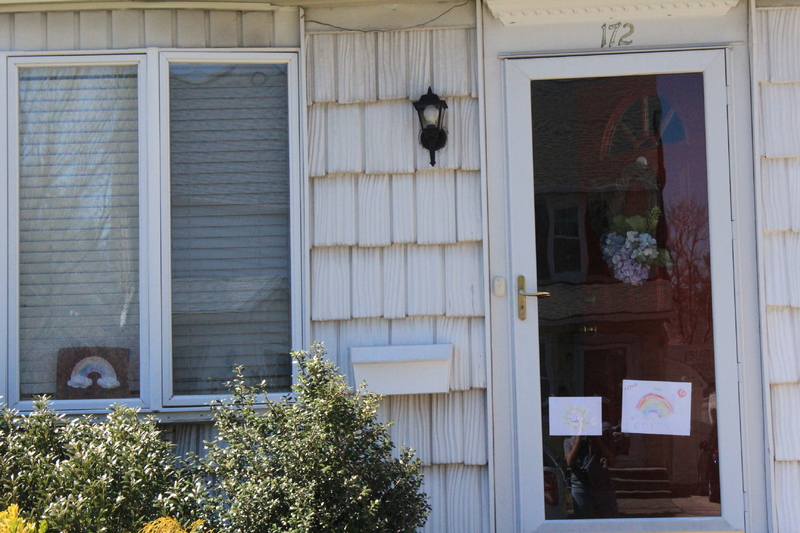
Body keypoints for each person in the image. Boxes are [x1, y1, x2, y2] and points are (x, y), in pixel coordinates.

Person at [564, 423, 619, 519]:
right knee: (584, 519)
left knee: (609, 518)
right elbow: (569, 462)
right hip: (580, 485)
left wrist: (598, 439)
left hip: (602, 484)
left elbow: (612, 461)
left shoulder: (604, 439)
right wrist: (578, 440)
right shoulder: (569, 441)